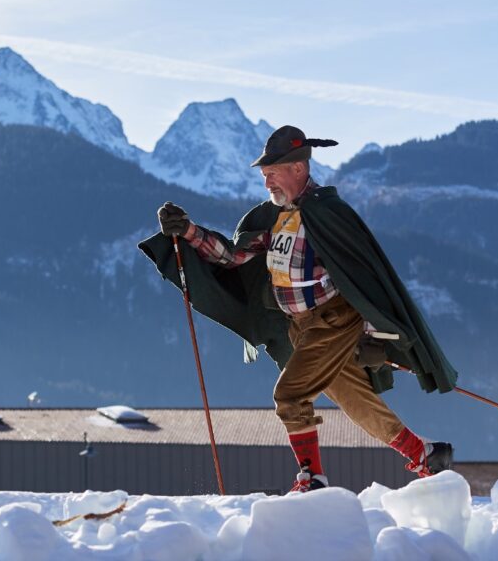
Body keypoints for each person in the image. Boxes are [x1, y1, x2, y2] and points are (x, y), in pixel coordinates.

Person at [139, 126, 457, 492]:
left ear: (298, 169)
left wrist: (372, 333)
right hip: (299, 326)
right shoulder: (271, 217)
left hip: (334, 322)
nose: (267, 182)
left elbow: (363, 279)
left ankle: (313, 478)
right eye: (264, 175)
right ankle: (427, 454)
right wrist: (190, 232)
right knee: (355, 401)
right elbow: (233, 257)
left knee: (289, 395)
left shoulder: (328, 214)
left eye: (272, 173)